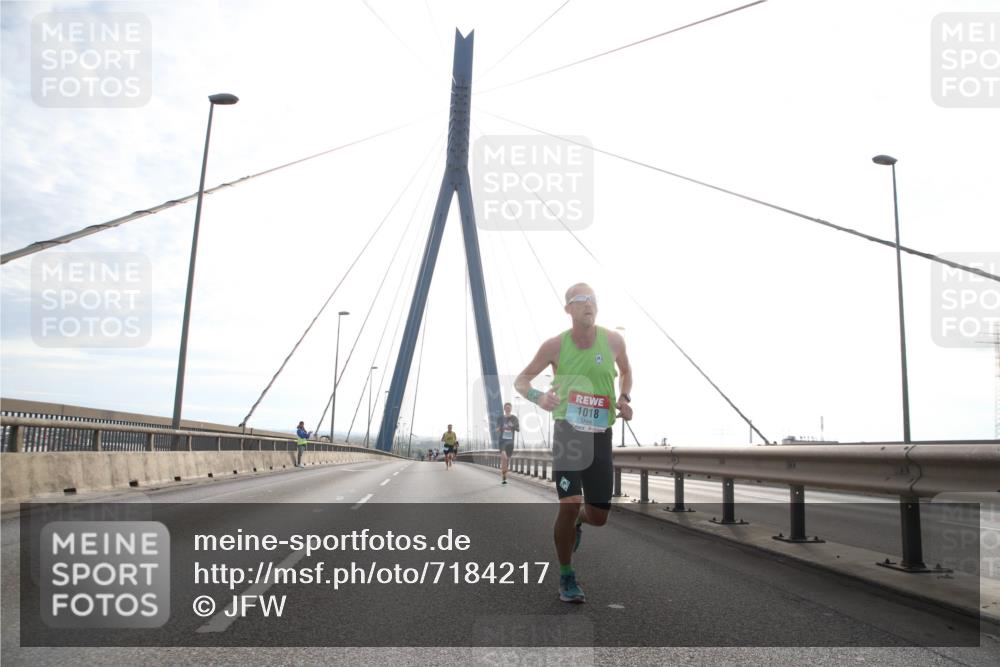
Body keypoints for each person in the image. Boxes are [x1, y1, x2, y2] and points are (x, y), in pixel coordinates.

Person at [515, 283, 632, 604]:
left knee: (598, 516)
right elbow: (521, 380)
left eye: (591, 299)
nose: (587, 304)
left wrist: (623, 397)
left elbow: (626, 372)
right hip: (569, 433)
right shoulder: (554, 346)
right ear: (568, 309)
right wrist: (540, 397)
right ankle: (567, 575)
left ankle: (581, 520)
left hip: (601, 435)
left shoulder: (614, 340)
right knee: (568, 503)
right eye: (579, 300)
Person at [495, 402, 520, 485]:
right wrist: (501, 427)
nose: (508, 409)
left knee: (507, 460)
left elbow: (518, 429)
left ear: (511, 409)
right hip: (502, 441)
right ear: (504, 409)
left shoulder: (514, 418)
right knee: (504, 458)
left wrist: (512, 425)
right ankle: (504, 476)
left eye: (509, 407)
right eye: (506, 407)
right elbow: (497, 429)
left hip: (510, 442)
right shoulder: (500, 418)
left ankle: (504, 475)